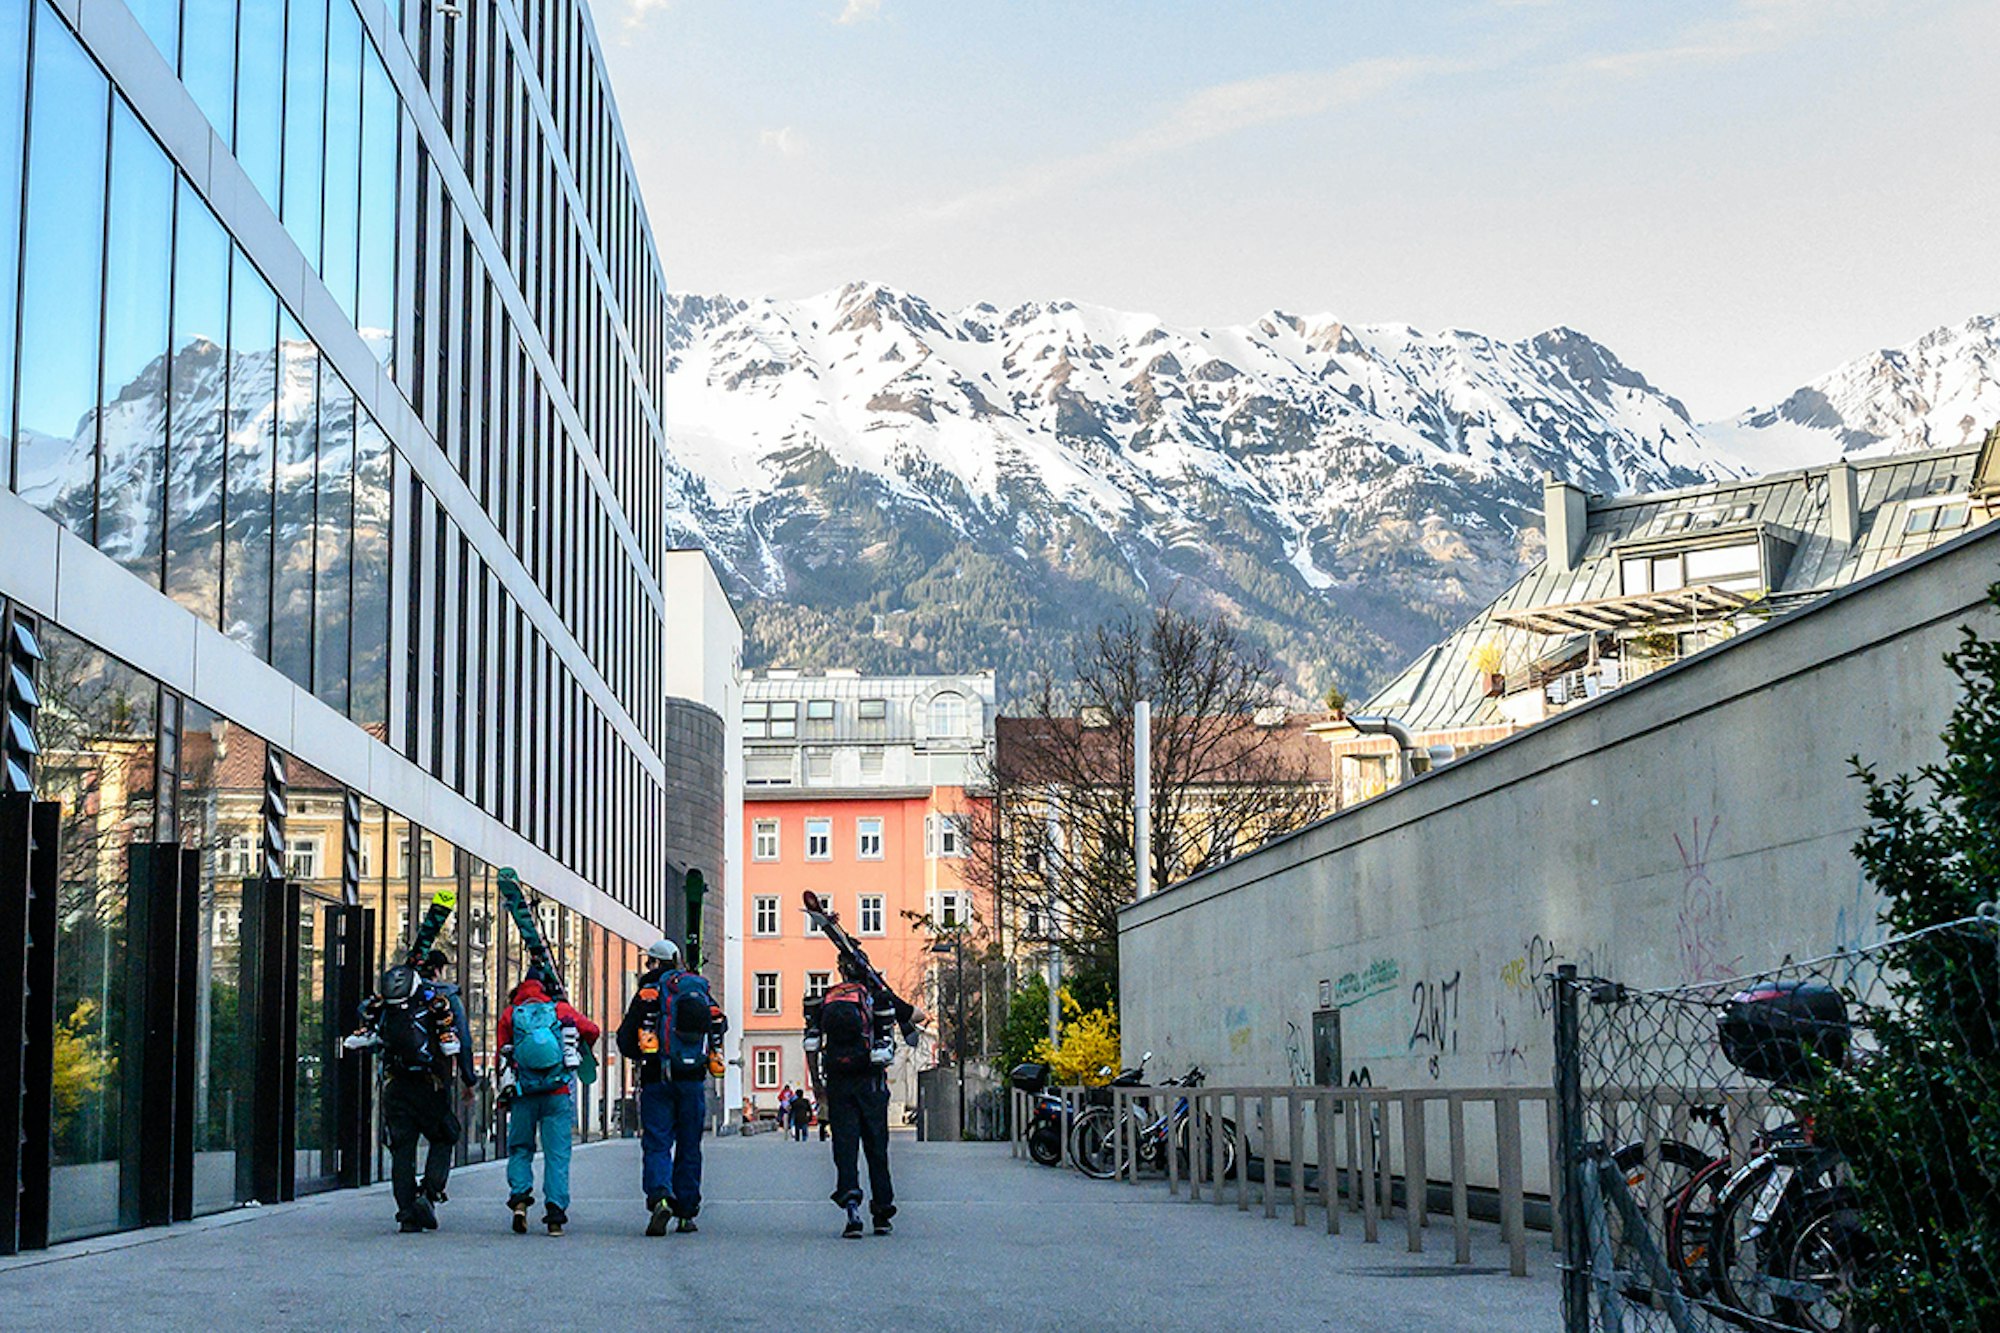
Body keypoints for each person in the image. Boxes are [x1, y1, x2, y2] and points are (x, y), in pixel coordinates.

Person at [344, 958, 476, 1233]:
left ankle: (406, 1212)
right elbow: (461, 1038)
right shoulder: (441, 999)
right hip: (431, 1084)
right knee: (444, 1135)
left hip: (396, 1084)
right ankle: (429, 1193)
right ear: (437, 971)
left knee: (401, 1149)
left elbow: (370, 1032)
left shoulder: (387, 1003)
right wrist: (468, 1078)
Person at [804, 953, 919, 1238]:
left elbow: (811, 1043)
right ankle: (882, 1212)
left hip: (838, 1082)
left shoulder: (827, 998)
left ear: (841, 972)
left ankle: (851, 1208)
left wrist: (818, 1085)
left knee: (845, 1147)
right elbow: (917, 1017)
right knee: (876, 1148)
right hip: (871, 1082)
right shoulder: (878, 999)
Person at [616, 939, 725, 1236]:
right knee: (690, 1145)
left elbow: (625, 1039)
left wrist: (644, 1055)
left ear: (652, 962)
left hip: (657, 1079)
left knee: (657, 1142)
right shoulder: (698, 988)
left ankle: (661, 1197)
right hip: (692, 1079)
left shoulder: (648, 992)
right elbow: (718, 1023)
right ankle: (687, 1213)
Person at [498, 966, 600, 1237]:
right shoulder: (561, 1010)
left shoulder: (511, 1014)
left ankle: (519, 1201)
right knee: (557, 1154)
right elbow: (593, 1030)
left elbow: (503, 1053)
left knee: (520, 1148)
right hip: (556, 1092)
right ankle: (555, 1214)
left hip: (523, 1093)